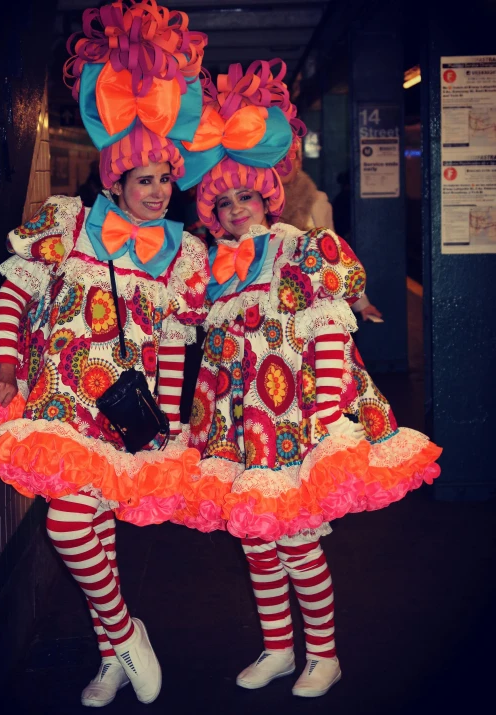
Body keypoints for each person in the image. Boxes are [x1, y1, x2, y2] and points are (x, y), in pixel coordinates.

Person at [146, 59, 442, 699]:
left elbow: (340, 300)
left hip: (292, 421)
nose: (233, 210)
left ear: (267, 195)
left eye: (243, 197)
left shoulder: (296, 245)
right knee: (256, 537)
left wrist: (334, 392)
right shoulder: (212, 268)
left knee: (299, 542)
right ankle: (279, 647)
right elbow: (178, 324)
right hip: (233, 424)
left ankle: (324, 655)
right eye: (221, 203)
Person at [0, 1, 208, 707]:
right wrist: (7, 361)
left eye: (165, 180)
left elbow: (176, 342)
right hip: (59, 399)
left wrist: (168, 420)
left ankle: (111, 655)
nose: (157, 191)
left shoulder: (184, 254)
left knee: (96, 524)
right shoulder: (68, 223)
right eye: (145, 180)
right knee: (68, 520)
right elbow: (15, 290)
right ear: (115, 181)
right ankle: (125, 629)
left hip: (125, 411)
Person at [282, 156, 382, 322]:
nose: (282, 163)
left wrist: (361, 302)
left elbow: (333, 254)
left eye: (288, 156)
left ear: (298, 162)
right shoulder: (256, 205)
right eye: (275, 157)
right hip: (279, 302)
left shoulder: (316, 200)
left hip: (316, 302)